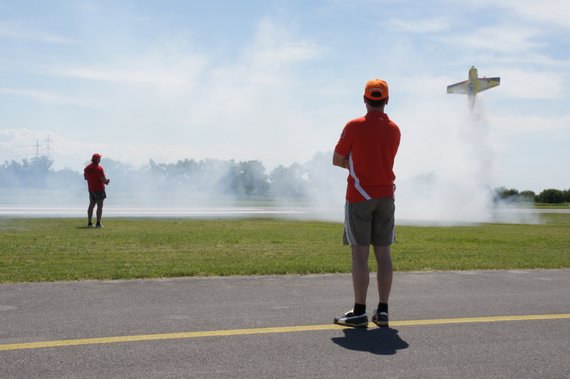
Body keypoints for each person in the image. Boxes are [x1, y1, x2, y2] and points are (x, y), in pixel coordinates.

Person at [332, 78, 401, 328]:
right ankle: (382, 311)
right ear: (386, 100)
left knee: (359, 254)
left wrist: (355, 163)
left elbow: (338, 159)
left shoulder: (353, 126)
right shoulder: (394, 129)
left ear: (365, 99)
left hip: (359, 196)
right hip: (386, 196)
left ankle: (359, 310)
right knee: (383, 254)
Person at [84, 153, 110, 228]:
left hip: (91, 189)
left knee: (91, 205)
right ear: (97, 159)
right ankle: (98, 223)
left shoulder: (87, 168)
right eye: (99, 158)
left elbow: (85, 178)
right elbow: (103, 180)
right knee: (100, 206)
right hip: (99, 189)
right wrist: (106, 182)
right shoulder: (99, 168)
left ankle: (89, 223)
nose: (100, 159)